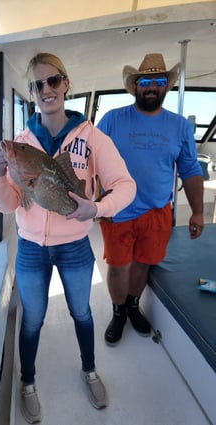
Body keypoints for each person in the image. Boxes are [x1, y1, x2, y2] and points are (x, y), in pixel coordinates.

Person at [0, 52, 136, 423]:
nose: (46, 90)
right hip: (32, 251)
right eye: (38, 84)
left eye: (53, 81)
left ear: (66, 83)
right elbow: (9, 205)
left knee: (82, 312)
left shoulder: (92, 138)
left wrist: (96, 209)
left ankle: (89, 370)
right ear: (32, 92)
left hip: (74, 248)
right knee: (33, 319)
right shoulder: (22, 142)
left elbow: (125, 186)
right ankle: (28, 382)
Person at [97, 53, 204, 347]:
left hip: (157, 211)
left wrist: (197, 212)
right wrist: (98, 200)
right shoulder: (112, 119)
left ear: (167, 86)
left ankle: (133, 305)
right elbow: (92, 162)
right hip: (118, 210)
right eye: (146, 81)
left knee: (143, 263)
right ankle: (119, 313)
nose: (152, 86)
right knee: (118, 266)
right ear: (135, 86)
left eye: (159, 81)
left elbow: (191, 170)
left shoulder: (180, 126)